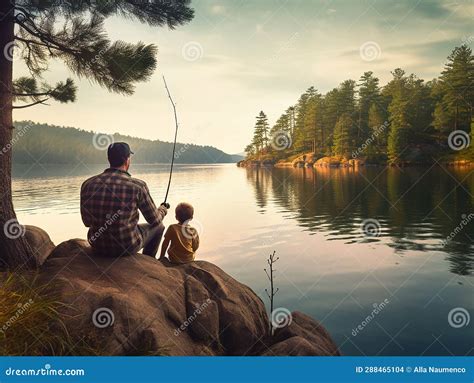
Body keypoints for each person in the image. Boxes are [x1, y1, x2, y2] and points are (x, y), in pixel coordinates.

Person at [80, 142, 168, 257]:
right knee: (159, 227)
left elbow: (87, 222)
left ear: (109, 159)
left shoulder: (88, 184)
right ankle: (149, 259)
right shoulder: (138, 186)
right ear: (127, 160)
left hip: (97, 245)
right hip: (126, 246)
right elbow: (154, 220)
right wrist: (162, 210)